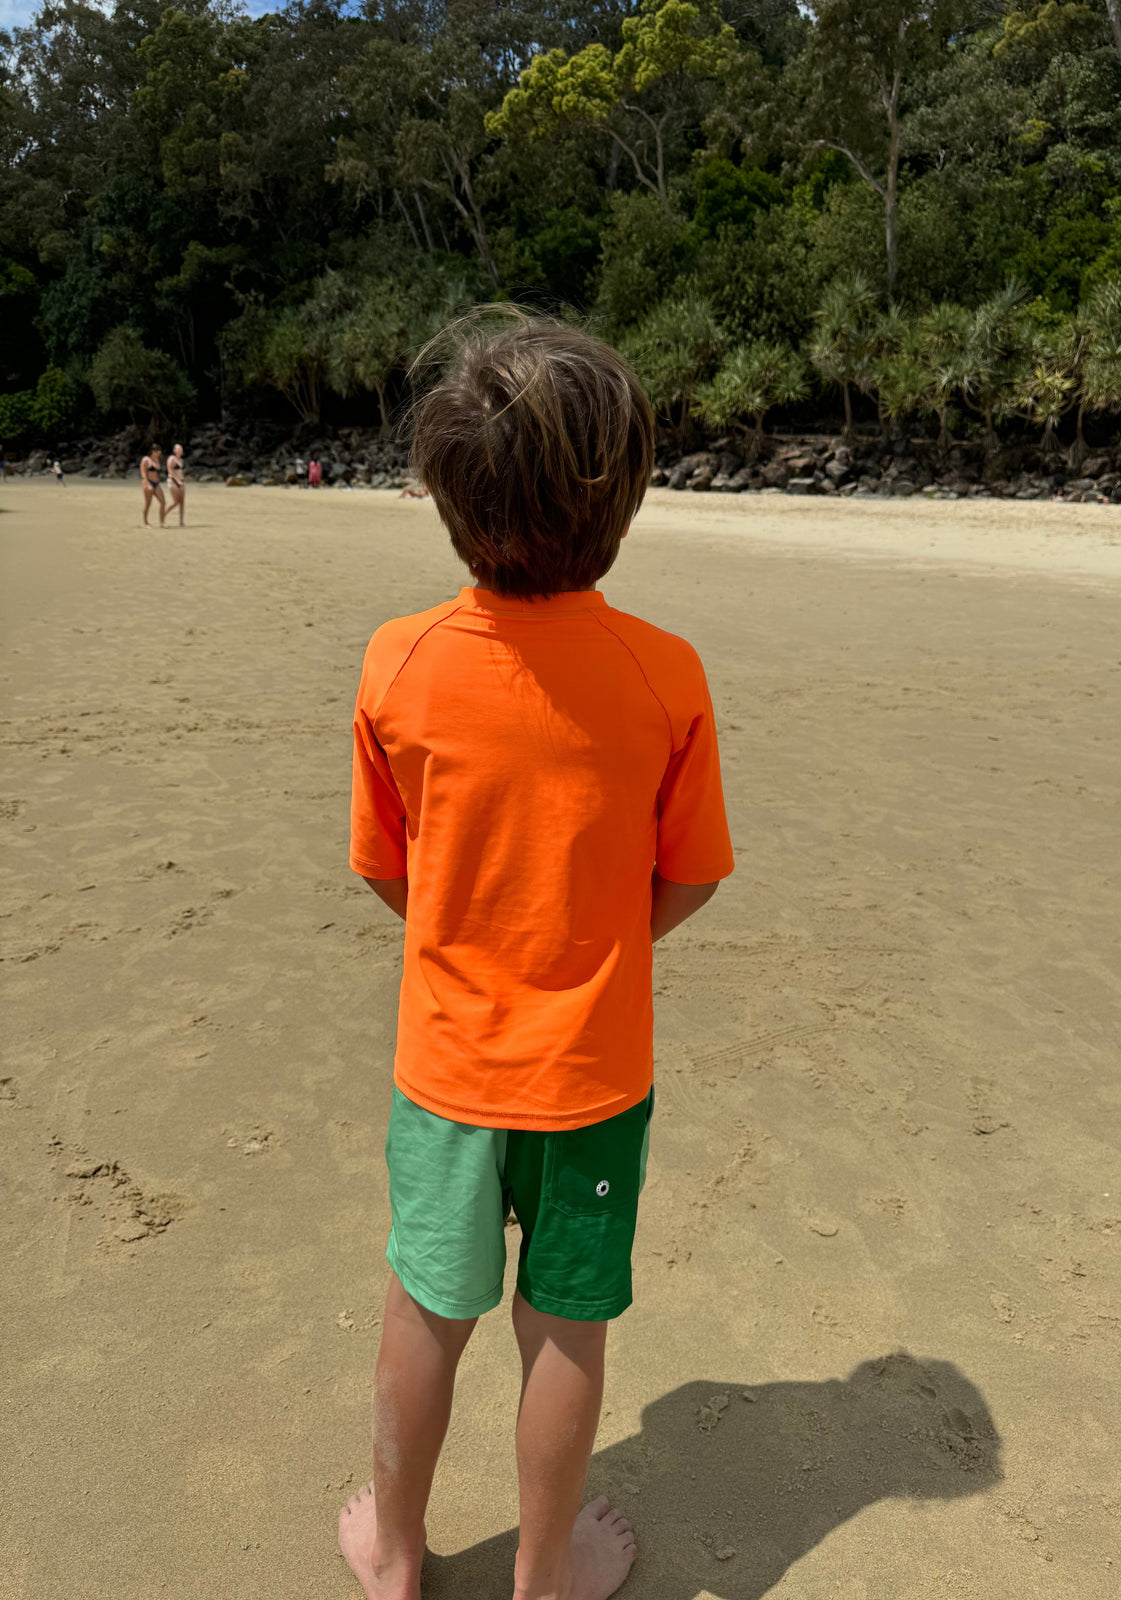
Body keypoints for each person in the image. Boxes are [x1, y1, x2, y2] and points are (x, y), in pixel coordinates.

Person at [340, 311, 734, 1600]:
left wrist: (468, 937)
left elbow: (387, 866)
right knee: (565, 1324)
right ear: (623, 498)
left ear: (450, 496)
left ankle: (397, 1558)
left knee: (425, 1308)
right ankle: (544, 1574)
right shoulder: (664, 673)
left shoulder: (399, 663)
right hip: (593, 1078)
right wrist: (598, 940)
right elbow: (690, 873)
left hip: (447, 1068)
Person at [140, 444, 166, 527]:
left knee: (163, 502)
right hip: (148, 482)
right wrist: (146, 483)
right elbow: (143, 472)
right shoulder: (146, 460)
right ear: (152, 451)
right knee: (148, 503)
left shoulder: (157, 460)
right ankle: (145, 522)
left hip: (156, 484)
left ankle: (162, 522)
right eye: (157, 451)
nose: (159, 453)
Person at [166, 443, 186, 526]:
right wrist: (177, 481)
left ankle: (181, 521)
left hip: (181, 481)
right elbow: (170, 471)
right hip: (173, 481)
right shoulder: (171, 458)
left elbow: (180, 471)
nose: (180, 451)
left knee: (182, 502)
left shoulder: (181, 460)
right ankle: (163, 515)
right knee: (175, 502)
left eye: (181, 449)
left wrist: (181, 481)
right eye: (178, 449)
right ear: (174, 451)